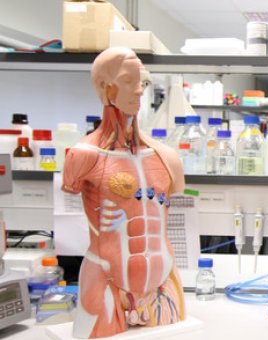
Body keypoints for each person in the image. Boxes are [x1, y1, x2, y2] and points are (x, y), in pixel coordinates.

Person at [62, 47, 186, 338]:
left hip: (163, 282)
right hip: (105, 279)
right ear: (106, 88)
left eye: (141, 81)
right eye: (128, 81)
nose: (139, 91)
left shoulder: (166, 157)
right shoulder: (83, 156)